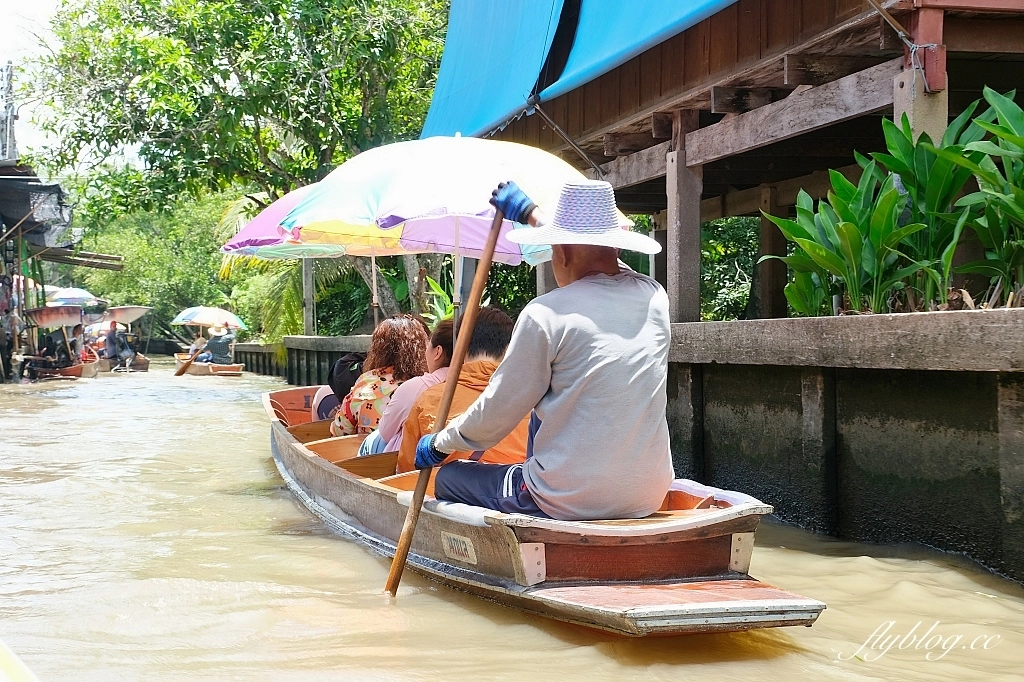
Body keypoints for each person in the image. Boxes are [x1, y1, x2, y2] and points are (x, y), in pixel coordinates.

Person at [414, 180, 673, 521]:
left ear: (560, 253)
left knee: (449, 477)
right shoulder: (654, 298)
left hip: (564, 498)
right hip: (649, 495)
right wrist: (533, 216)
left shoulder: (545, 314)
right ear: (618, 249)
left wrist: (439, 443)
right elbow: (607, 264)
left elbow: (495, 417)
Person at [397, 308, 529, 474]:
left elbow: (407, 470)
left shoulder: (431, 400)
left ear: (460, 347)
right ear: (509, 348)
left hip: (442, 489)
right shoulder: (531, 401)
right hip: (516, 488)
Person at [330, 315, 426, 438]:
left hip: (370, 449)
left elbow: (339, 430)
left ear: (377, 349)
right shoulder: (426, 384)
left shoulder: (365, 383)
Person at [377, 317, 454, 453]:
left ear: (438, 352)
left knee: (373, 441)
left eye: (428, 346)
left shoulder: (414, 387)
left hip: (415, 461)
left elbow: (385, 432)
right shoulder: (483, 386)